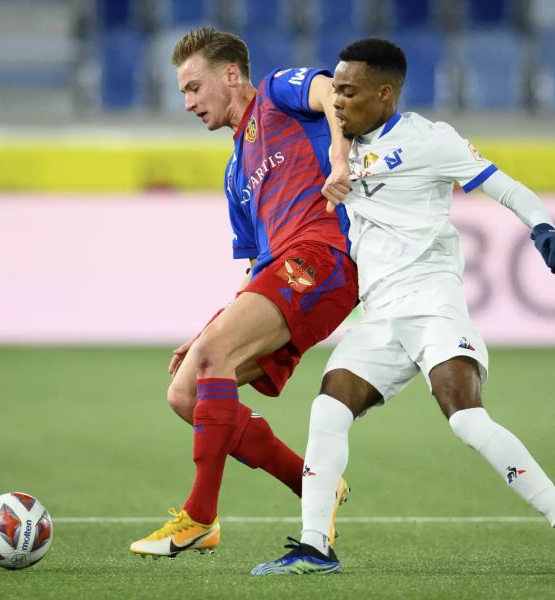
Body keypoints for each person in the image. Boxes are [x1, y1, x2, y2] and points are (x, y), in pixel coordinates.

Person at [252, 38, 555, 576]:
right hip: (378, 315)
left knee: (465, 418)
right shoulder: (339, 143)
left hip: (431, 301)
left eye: (348, 92)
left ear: (384, 93)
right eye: (335, 91)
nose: (338, 102)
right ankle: (314, 547)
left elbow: (505, 187)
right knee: (327, 408)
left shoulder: (429, 140)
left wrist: (542, 225)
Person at [129, 27, 359, 558]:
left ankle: (200, 518)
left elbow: (331, 92)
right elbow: (256, 265)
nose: (187, 103)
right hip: (281, 270)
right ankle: (312, 484)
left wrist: (341, 161)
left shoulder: (278, 93)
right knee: (185, 392)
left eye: (192, 87)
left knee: (214, 358)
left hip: (325, 257)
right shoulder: (235, 172)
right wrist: (209, 331)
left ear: (230, 74)